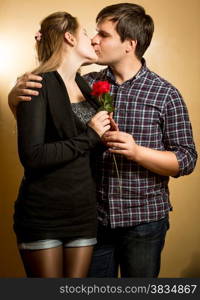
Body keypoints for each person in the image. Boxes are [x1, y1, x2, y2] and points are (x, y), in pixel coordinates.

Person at [8, 3, 197, 278]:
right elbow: (41, 125)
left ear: (129, 44)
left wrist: (136, 152)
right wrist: (15, 97)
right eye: (92, 33)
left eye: (103, 34)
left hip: (142, 222)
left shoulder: (164, 94)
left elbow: (187, 159)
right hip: (93, 219)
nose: (95, 40)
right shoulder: (86, 84)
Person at [10, 11, 113, 278]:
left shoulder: (86, 86)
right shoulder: (36, 84)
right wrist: (91, 136)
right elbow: (32, 155)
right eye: (87, 34)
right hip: (44, 214)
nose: (93, 41)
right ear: (69, 37)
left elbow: (86, 149)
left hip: (83, 213)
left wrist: (107, 135)